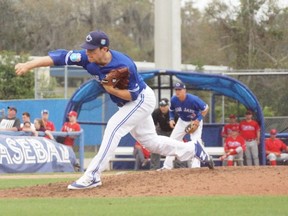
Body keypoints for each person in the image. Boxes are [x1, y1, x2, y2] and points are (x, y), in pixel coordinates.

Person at [15, 30, 214, 190]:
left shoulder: (124, 65)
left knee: (113, 126)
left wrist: (109, 88)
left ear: (105, 49)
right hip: (127, 103)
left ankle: (93, 175)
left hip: (140, 99)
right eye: (88, 49)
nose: (88, 53)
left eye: (93, 50)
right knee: (151, 143)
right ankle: (193, 149)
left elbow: (133, 96)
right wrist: (28, 64)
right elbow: (58, 57)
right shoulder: (86, 58)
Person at [159, 82, 209, 170]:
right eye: (176, 90)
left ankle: (196, 165)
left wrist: (198, 120)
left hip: (194, 121)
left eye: (180, 89)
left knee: (196, 142)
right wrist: (171, 119)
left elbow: (206, 108)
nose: (177, 91)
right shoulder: (174, 99)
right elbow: (171, 110)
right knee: (172, 141)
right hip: (182, 121)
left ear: (184, 90)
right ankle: (167, 166)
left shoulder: (193, 99)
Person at [150, 98, 175, 170]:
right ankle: (154, 168)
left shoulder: (173, 112)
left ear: (168, 106)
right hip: (161, 131)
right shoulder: (156, 112)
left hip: (172, 132)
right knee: (155, 147)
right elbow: (152, 125)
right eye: (161, 106)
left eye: (164, 106)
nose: (163, 108)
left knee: (177, 147)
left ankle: (179, 167)